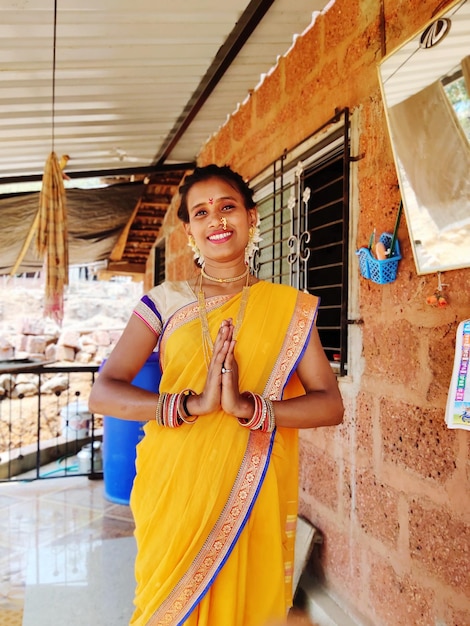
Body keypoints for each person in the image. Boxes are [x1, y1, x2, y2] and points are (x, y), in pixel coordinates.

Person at [88, 164, 344, 626]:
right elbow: (103, 393)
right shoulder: (165, 302)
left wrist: (252, 408)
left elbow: (330, 403)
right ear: (189, 231)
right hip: (176, 485)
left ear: (251, 216)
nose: (216, 221)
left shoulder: (289, 308)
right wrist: (189, 404)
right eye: (201, 213)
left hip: (253, 484)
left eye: (227, 208)